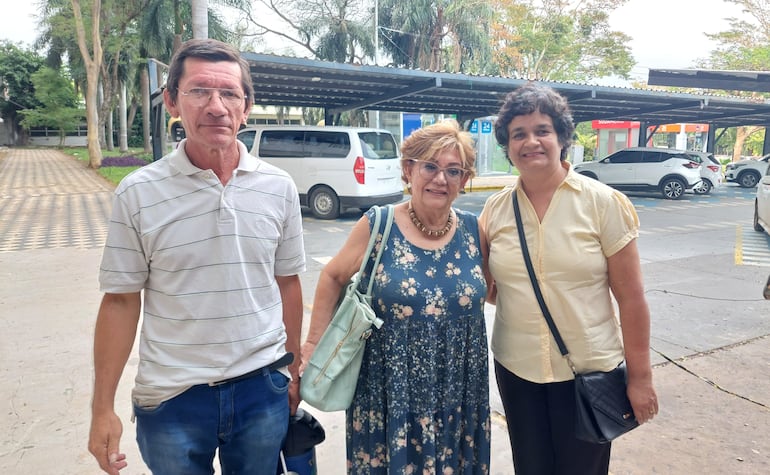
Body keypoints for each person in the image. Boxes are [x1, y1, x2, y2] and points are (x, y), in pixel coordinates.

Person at [87, 38, 306, 475]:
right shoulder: (138, 192)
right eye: (200, 91)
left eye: (229, 94)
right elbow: (120, 300)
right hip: (172, 397)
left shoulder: (278, 186)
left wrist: (292, 373)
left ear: (246, 107)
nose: (216, 106)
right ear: (172, 101)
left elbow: (287, 283)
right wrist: (102, 408)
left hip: (262, 388)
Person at [479, 82, 658, 475]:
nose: (531, 141)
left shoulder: (602, 203)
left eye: (542, 130)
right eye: (518, 134)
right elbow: (490, 288)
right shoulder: (494, 211)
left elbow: (631, 299)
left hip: (589, 371)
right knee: (531, 466)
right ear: (507, 146)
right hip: (517, 367)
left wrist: (640, 378)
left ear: (562, 136)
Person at [301, 120, 491, 474]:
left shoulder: (472, 229)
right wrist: (313, 344)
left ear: (464, 181)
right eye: (430, 167)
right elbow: (332, 276)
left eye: (453, 171)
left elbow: (489, 289)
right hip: (390, 388)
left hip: (459, 386)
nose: (440, 179)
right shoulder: (379, 224)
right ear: (409, 169)